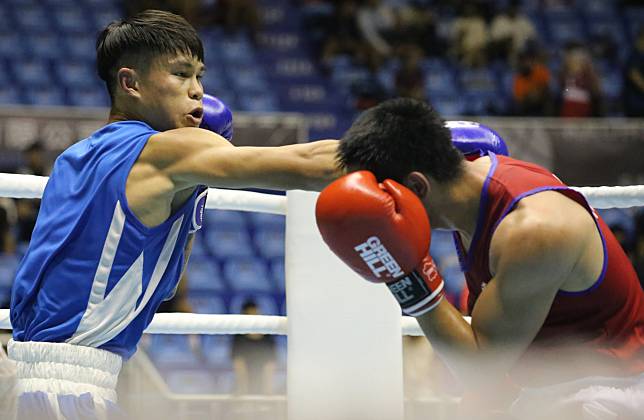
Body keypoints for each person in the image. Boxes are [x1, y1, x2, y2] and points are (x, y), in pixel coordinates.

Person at [7, 9, 340, 419]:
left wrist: (193, 187)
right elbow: (310, 164)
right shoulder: (166, 150)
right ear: (129, 83)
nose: (197, 91)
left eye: (200, 76)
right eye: (181, 75)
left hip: (29, 374)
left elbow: (161, 289)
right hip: (71, 392)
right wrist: (408, 147)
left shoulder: (73, 158)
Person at [316, 98, 644, 419]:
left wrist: (406, 277)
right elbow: (309, 162)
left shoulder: (533, 230)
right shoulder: (467, 177)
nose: (381, 212)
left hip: (606, 389)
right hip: (546, 381)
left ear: (417, 186)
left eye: (383, 198)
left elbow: (480, 369)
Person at [231, 299, 277, 395]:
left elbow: (270, 365)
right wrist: (243, 390)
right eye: (250, 316)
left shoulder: (268, 337)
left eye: (255, 315)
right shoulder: (239, 338)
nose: (253, 319)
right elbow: (239, 365)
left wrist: (268, 390)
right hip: (244, 384)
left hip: (263, 383)